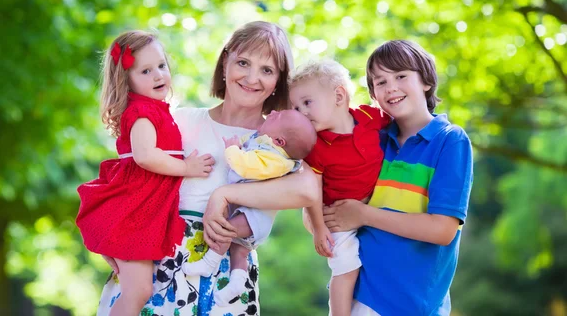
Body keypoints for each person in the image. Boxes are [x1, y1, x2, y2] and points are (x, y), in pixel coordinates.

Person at [96, 21, 320, 316]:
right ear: (225, 61)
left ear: (279, 80)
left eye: (267, 70)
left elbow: (308, 189)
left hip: (227, 275)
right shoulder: (180, 121)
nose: (252, 77)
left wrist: (222, 195)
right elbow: (130, 178)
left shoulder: (280, 144)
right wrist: (111, 235)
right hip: (159, 264)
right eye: (243, 62)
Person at [321, 40, 474, 316]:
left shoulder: (450, 141)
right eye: (380, 82)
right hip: (359, 297)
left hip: (411, 305)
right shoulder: (373, 141)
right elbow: (334, 200)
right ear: (373, 94)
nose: (391, 87)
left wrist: (364, 215)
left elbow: (442, 230)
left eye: (401, 76)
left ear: (426, 81)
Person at [76, 31, 215, 316]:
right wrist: (187, 168)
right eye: (145, 70)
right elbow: (145, 155)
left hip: (143, 211)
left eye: (162, 66)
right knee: (138, 291)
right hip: (133, 212)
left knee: (140, 290)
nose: (157, 75)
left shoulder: (156, 110)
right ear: (126, 80)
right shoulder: (141, 113)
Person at [183, 109, 317, 306]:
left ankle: (208, 263)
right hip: (246, 212)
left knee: (223, 230)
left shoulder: (277, 160)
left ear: (279, 141)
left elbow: (246, 166)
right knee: (239, 251)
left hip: (254, 216)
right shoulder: (264, 142)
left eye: (277, 117)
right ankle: (237, 282)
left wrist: (232, 149)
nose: (272, 112)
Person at [289, 59, 389, 316]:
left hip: (371, 207)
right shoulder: (317, 146)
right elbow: (312, 190)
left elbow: (399, 123)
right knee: (346, 268)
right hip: (334, 216)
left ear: (339, 95)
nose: (301, 112)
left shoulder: (370, 117)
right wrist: (319, 228)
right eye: (296, 108)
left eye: (307, 103)